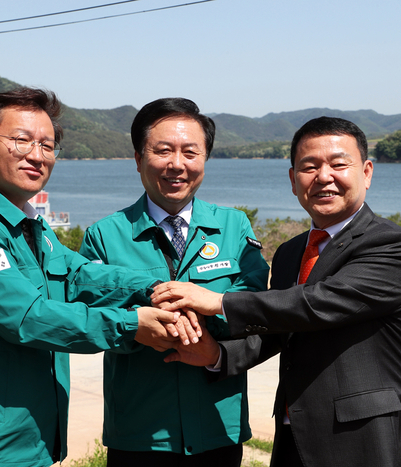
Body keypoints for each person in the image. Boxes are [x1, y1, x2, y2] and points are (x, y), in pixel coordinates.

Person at [0, 87, 187, 467]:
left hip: (26, 440)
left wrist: (155, 287)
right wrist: (131, 325)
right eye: (21, 141)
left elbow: (79, 275)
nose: (37, 156)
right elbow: (27, 317)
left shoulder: (28, 225)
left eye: (47, 145)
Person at [152, 116, 401, 467]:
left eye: (338, 164)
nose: (324, 177)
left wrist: (218, 301)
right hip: (295, 438)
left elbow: (319, 304)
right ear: (292, 179)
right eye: (309, 167)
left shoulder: (390, 244)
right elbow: (278, 328)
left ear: (367, 172)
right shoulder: (289, 253)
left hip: (369, 440)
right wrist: (216, 355)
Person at [79, 97, 269, 467]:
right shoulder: (104, 235)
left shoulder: (234, 226)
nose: (176, 165)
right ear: (138, 159)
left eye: (190, 152)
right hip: (139, 432)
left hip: (218, 426)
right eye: (163, 151)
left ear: (205, 160)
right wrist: (142, 324)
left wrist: (203, 309)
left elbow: (255, 304)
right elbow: (90, 313)